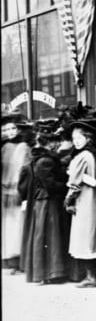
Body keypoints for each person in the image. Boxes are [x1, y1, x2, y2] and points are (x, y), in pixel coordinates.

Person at [20, 120, 67, 284]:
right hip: (47, 200)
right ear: (50, 143)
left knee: (43, 235)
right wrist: (66, 185)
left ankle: (44, 272)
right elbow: (51, 185)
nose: (58, 144)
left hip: (42, 201)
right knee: (49, 235)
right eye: (56, 141)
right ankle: (49, 272)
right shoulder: (45, 161)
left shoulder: (37, 159)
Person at [64, 120, 96, 287]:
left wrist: (69, 198)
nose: (76, 141)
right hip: (90, 196)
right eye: (74, 138)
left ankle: (90, 276)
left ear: (88, 138)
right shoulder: (92, 154)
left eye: (80, 138)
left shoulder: (84, 156)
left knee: (86, 234)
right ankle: (90, 275)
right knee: (88, 233)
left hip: (86, 197)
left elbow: (77, 181)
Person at [2, 112, 31, 273]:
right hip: (4, 191)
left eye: (13, 128)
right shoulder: (5, 147)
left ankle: (18, 260)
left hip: (17, 190)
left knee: (17, 225)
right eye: (7, 129)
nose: (10, 132)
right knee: (8, 225)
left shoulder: (24, 147)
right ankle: (9, 259)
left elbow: (23, 170)